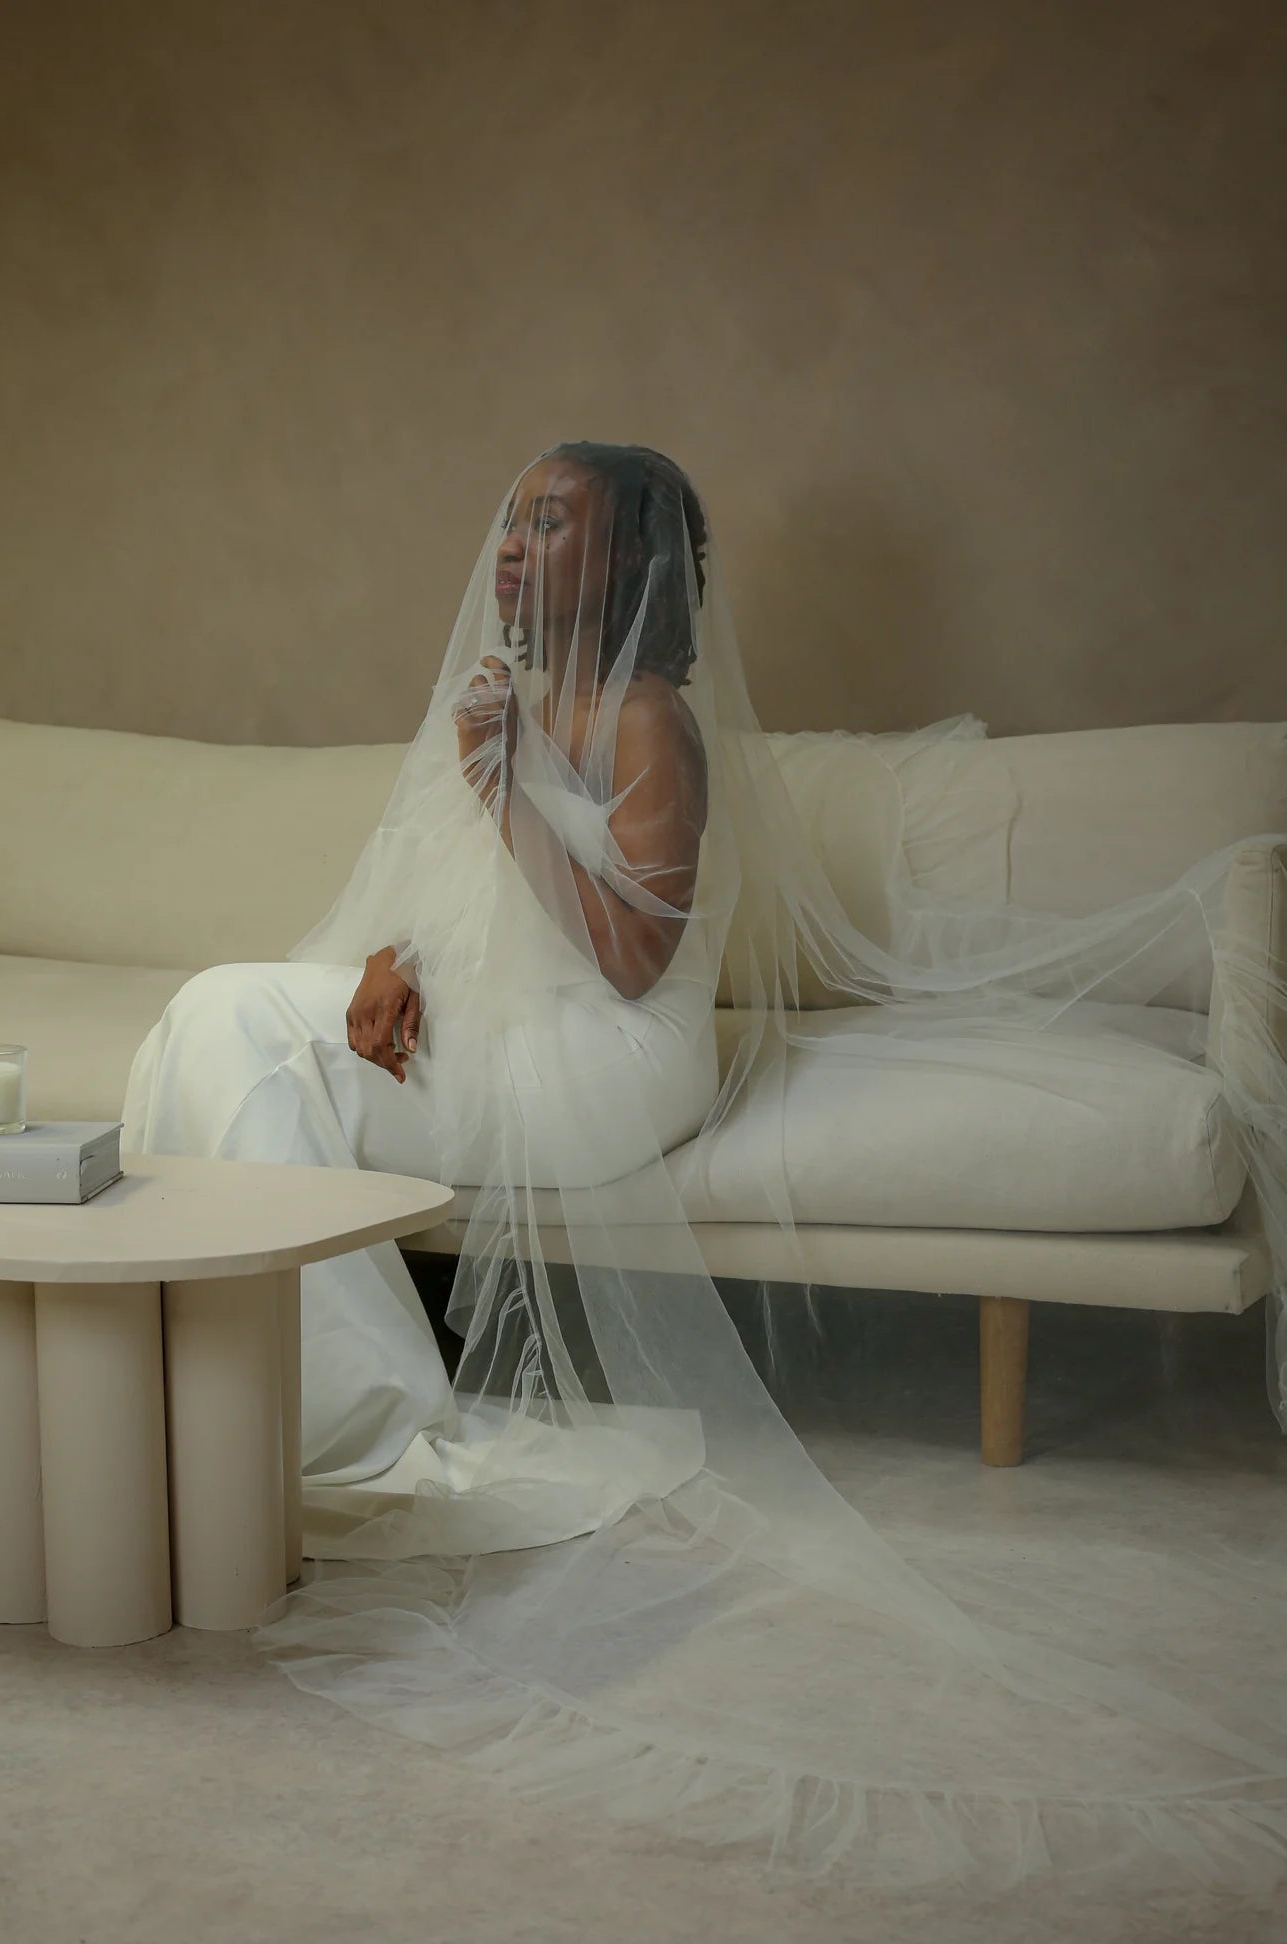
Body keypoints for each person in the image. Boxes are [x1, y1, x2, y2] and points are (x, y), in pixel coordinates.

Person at [122, 442, 1287, 1885]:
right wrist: (392, 960)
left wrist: (498, 789)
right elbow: (456, 899)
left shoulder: (650, 721)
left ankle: (354, 1420)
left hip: (605, 1068)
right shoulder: (511, 699)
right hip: (499, 1022)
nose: (509, 545)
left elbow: (627, 961)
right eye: (512, 518)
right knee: (216, 1007)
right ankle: (254, 1394)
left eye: (549, 524)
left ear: (629, 567)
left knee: (239, 1030)